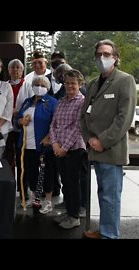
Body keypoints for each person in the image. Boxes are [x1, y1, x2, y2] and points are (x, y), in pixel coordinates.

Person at [81, 39, 137, 239]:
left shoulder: (125, 80)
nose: (101, 58)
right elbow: (84, 116)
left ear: (116, 58)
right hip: (94, 148)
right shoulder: (94, 83)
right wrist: (89, 139)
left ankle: (110, 235)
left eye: (106, 54)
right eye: (98, 55)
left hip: (110, 149)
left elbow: (125, 118)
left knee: (110, 197)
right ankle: (105, 229)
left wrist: (102, 140)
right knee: (103, 194)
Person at [49, 69, 87, 229]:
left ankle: (74, 216)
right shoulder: (62, 101)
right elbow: (53, 125)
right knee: (65, 182)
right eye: (67, 83)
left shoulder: (82, 102)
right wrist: (55, 144)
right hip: (59, 149)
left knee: (73, 183)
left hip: (74, 149)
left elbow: (78, 128)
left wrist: (64, 147)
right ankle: (68, 210)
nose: (70, 86)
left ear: (80, 84)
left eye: (73, 83)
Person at [16, 75, 57, 210]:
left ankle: (49, 201)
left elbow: (57, 123)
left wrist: (49, 138)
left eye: (43, 85)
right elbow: (18, 118)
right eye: (37, 84)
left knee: (47, 173)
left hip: (44, 145)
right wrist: (20, 121)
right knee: (31, 172)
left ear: (47, 87)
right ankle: (34, 198)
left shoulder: (52, 102)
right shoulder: (27, 101)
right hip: (27, 144)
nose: (39, 87)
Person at [5, 59, 25, 181]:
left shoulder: (27, 85)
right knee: (8, 155)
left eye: (18, 68)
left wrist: (18, 111)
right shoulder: (4, 85)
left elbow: (30, 104)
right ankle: (10, 180)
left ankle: (22, 186)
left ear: (22, 70)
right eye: (13, 68)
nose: (15, 70)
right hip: (6, 125)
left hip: (21, 126)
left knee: (20, 155)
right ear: (8, 70)